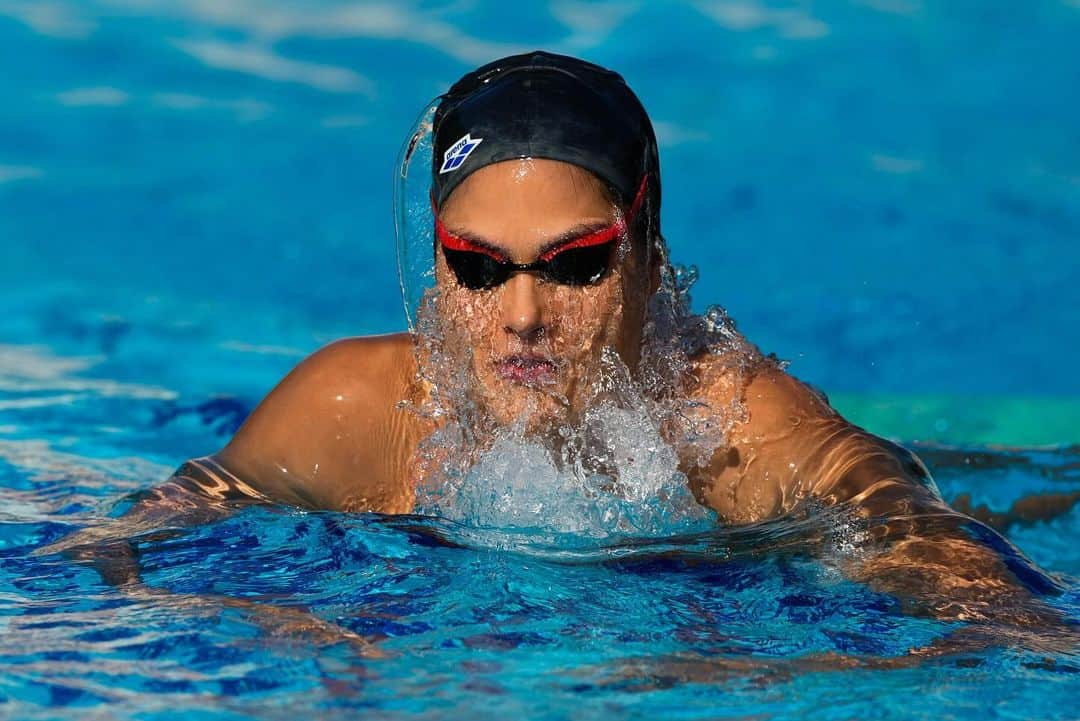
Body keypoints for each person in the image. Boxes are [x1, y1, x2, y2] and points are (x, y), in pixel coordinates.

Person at [58, 51, 1073, 628]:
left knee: (1016, 499)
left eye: (577, 263)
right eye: (479, 265)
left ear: (647, 252)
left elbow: (914, 528)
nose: (523, 313)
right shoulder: (352, 410)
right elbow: (144, 526)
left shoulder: (729, 428)